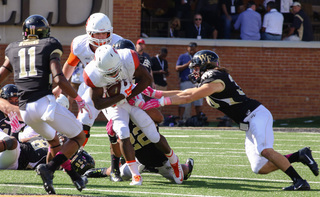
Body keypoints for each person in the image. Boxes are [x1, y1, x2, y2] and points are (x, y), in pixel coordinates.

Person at [141, 50, 319, 191]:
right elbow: (184, 93)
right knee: (260, 168)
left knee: (264, 150)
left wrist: (159, 102)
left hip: (256, 114)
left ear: (205, 65)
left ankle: (299, 181)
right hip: (249, 122)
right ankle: (299, 155)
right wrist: (156, 94)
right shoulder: (210, 79)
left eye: (196, 67)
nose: (194, 71)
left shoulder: (215, 77)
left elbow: (189, 96)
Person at [0, 14, 91, 194]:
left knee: (54, 142)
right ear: (45, 31)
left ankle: (74, 177)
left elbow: (2, 73)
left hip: (26, 110)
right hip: (43, 104)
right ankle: (48, 169)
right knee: (79, 137)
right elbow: (59, 79)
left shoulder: (13, 47)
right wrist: (78, 98)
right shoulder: (50, 44)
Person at [83, 45, 184, 186]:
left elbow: (147, 79)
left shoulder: (128, 59)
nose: (113, 75)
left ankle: (174, 161)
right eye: (109, 73)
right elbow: (98, 104)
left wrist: (130, 95)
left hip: (133, 98)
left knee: (153, 135)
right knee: (122, 131)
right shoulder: (93, 74)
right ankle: (136, 175)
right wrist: (121, 96)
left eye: (115, 70)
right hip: (115, 105)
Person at [52, 13, 123, 147]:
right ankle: (73, 154)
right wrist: (60, 86)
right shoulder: (80, 44)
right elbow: (70, 65)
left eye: (105, 34)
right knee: (82, 122)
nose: (102, 37)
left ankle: (126, 160)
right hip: (92, 86)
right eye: (97, 34)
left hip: (115, 87)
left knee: (121, 126)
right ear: (89, 33)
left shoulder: (119, 43)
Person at [84, 121, 194, 184]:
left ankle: (187, 166)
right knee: (122, 174)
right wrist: (112, 138)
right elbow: (117, 151)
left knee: (183, 174)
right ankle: (104, 171)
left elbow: (159, 118)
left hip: (161, 162)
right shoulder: (119, 122)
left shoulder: (142, 114)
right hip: (139, 162)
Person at [175, 42, 203, 125]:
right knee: (183, 100)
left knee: (198, 101)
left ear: (196, 49)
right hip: (186, 81)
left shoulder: (199, 58)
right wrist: (187, 64)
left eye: (193, 48)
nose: (192, 49)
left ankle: (199, 120)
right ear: (187, 48)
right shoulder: (183, 56)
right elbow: (177, 68)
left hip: (197, 82)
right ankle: (180, 119)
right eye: (190, 48)